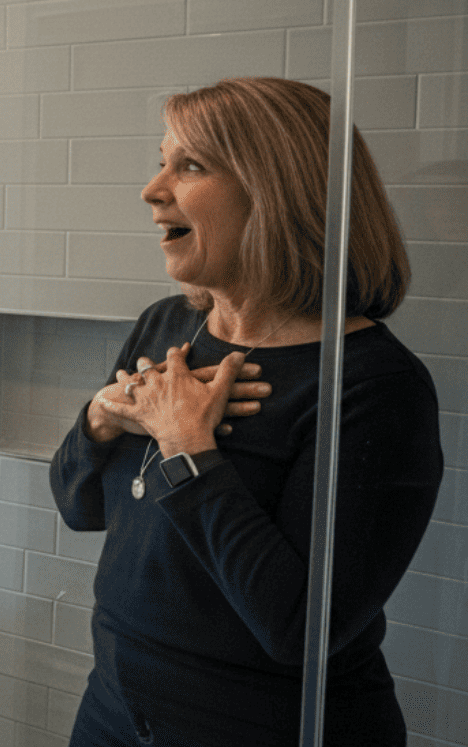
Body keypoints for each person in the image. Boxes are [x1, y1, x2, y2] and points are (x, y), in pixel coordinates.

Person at [50, 77, 442, 746]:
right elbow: (79, 508)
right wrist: (100, 421)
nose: (153, 189)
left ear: (277, 192)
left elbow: (298, 628)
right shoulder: (168, 324)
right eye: (162, 160)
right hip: (114, 708)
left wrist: (188, 448)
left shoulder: (376, 385)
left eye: (191, 165)